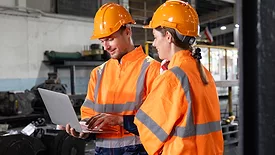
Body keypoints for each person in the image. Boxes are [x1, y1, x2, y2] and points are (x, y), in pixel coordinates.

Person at [65, 2, 160, 155]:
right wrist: (82, 131)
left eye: (110, 39)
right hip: (102, 150)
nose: (106, 47)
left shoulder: (152, 70)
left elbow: (158, 123)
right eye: (102, 41)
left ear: (127, 32)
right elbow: (89, 116)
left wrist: (120, 120)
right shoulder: (98, 73)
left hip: (138, 150)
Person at [134, 1, 224, 155]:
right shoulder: (203, 72)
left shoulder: (173, 77)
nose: (154, 43)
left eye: (155, 37)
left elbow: (148, 130)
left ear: (168, 36)